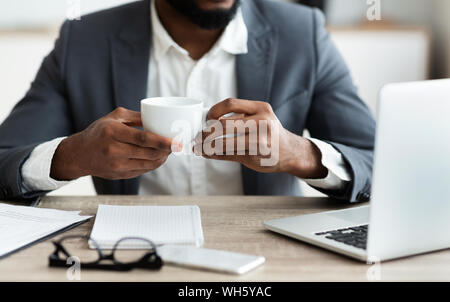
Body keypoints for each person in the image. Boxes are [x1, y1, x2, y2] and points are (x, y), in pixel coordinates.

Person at [0, 0, 375, 202]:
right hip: (131, 253)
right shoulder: (83, 40)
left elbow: (377, 161)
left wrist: (299, 154)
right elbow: (5, 159)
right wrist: (75, 156)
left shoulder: (303, 33)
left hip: (265, 256)